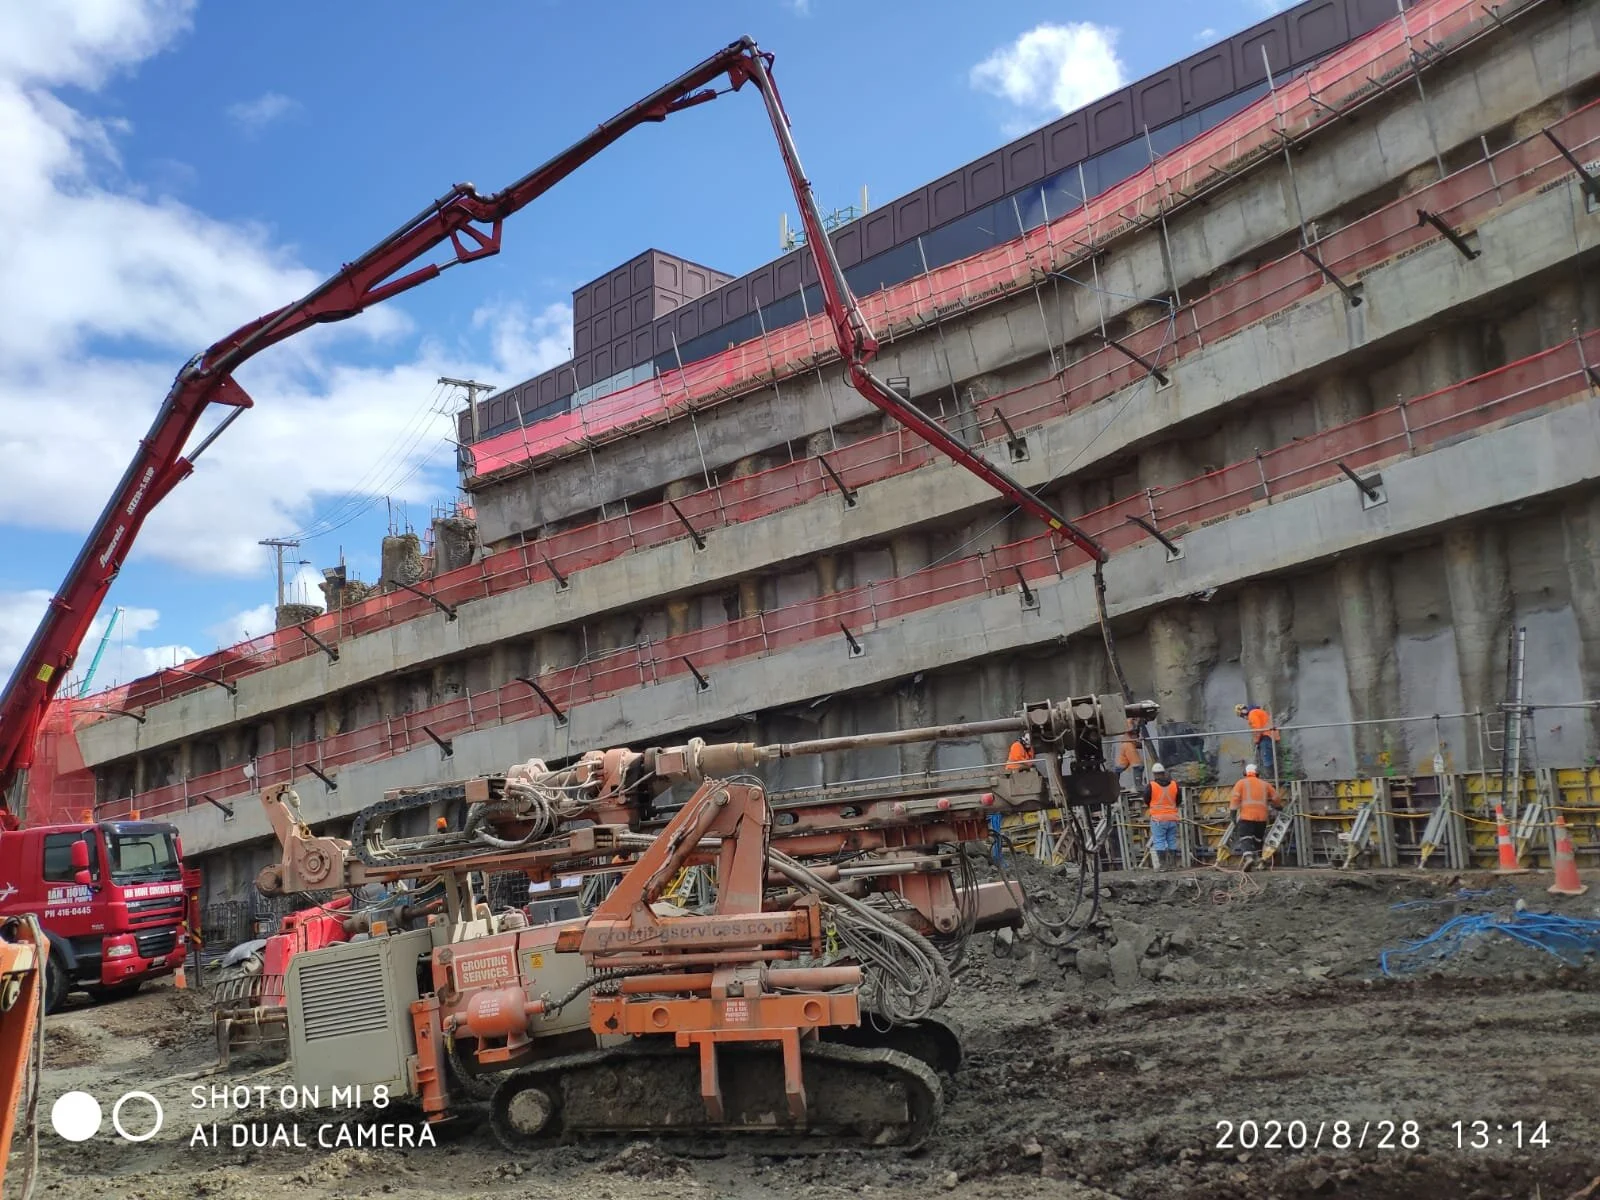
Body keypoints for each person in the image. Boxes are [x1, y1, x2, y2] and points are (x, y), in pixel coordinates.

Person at [1228, 763, 1279, 868]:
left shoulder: (1241, 783)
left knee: (1245, 838)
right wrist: (1279, 807)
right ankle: (1260, 862)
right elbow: (1275, 797)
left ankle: (1249, 858)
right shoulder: (1265, 784)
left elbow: (1235, 799)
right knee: (1258, 840)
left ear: (1245, 773)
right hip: (1262, 818)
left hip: (1247, 817)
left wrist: (1232, 815)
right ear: (1258, 773)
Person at [1145, 762, 1180, 870]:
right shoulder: (1174, 785)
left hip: (1158, 819)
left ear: (1154, 774)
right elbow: (1178, 800)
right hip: (1172, 818)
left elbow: (1146, 800)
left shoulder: (1151, 786)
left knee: (1159, 840)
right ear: (1164, 772)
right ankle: (1173, 865)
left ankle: (1163, 866)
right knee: (1171, 840)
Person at [1235, 703, 1279, 778]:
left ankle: (1270, 778)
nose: (1244, 718)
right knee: (1268, 758)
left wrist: (1256, 740)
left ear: (1243, 712)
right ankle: (1271, 777)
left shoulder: (1252, 713)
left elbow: (1257, 729)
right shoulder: (1257, 712)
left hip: (1266, 736)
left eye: (1242, 716)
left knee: (1266, 759)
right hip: (1270, 736)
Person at [1116, 720, 1145, 794]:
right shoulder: (1130, 720)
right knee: (1138, 765)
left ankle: (1114, 785)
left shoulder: (1132, 720)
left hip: (1127, 743)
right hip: (1129, 744)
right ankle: (1138, 786)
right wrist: (1136, 725)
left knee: (1120, 767)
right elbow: (1129, 729)